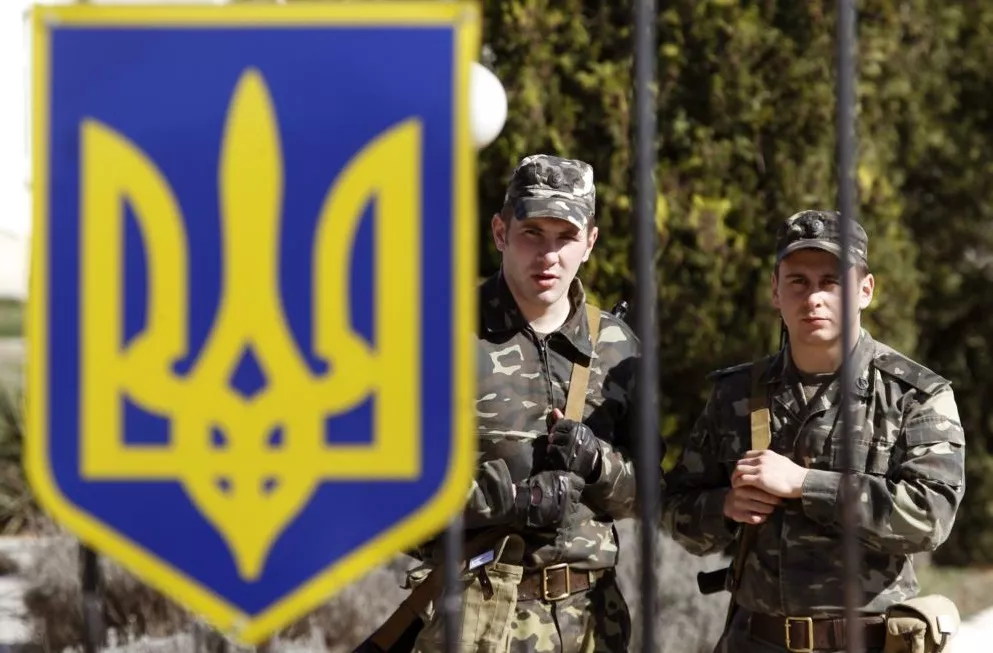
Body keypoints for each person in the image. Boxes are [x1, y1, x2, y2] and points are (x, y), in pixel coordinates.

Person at [660, 210, 966, 653]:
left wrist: (806, 485)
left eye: (831, 282)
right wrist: (725, 506)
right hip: (756, 641)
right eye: (798, 281)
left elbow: (930, 516)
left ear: (865, 290)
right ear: (776, 290)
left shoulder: (913, 396)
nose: (814, 298)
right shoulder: (735, 394)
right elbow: (675, 510)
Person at [407, 154, 644, 653]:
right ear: (500, 232)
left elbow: (654, 496)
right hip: (478, 622)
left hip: (593, 623)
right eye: (532, 233)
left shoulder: (617, 347)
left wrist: (598, 464)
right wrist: (508, 501)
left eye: (566, 237)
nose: (549, 255)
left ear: (590, 243)